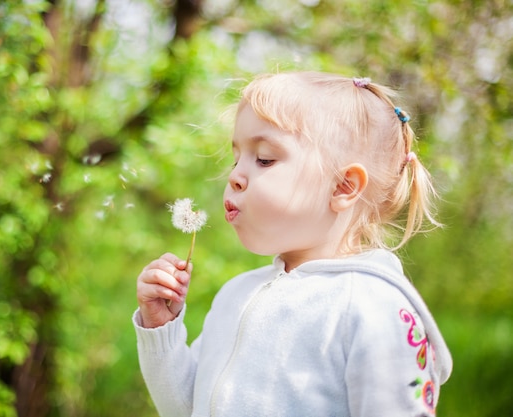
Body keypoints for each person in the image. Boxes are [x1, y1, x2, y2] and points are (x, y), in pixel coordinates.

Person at [133, 71, 453, 417]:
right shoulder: (236, 295)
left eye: (265, 159)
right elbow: (186, 409)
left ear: (343, 187)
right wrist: (159, 329)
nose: (235, 176)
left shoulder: (371, 308)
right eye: (236, 158)